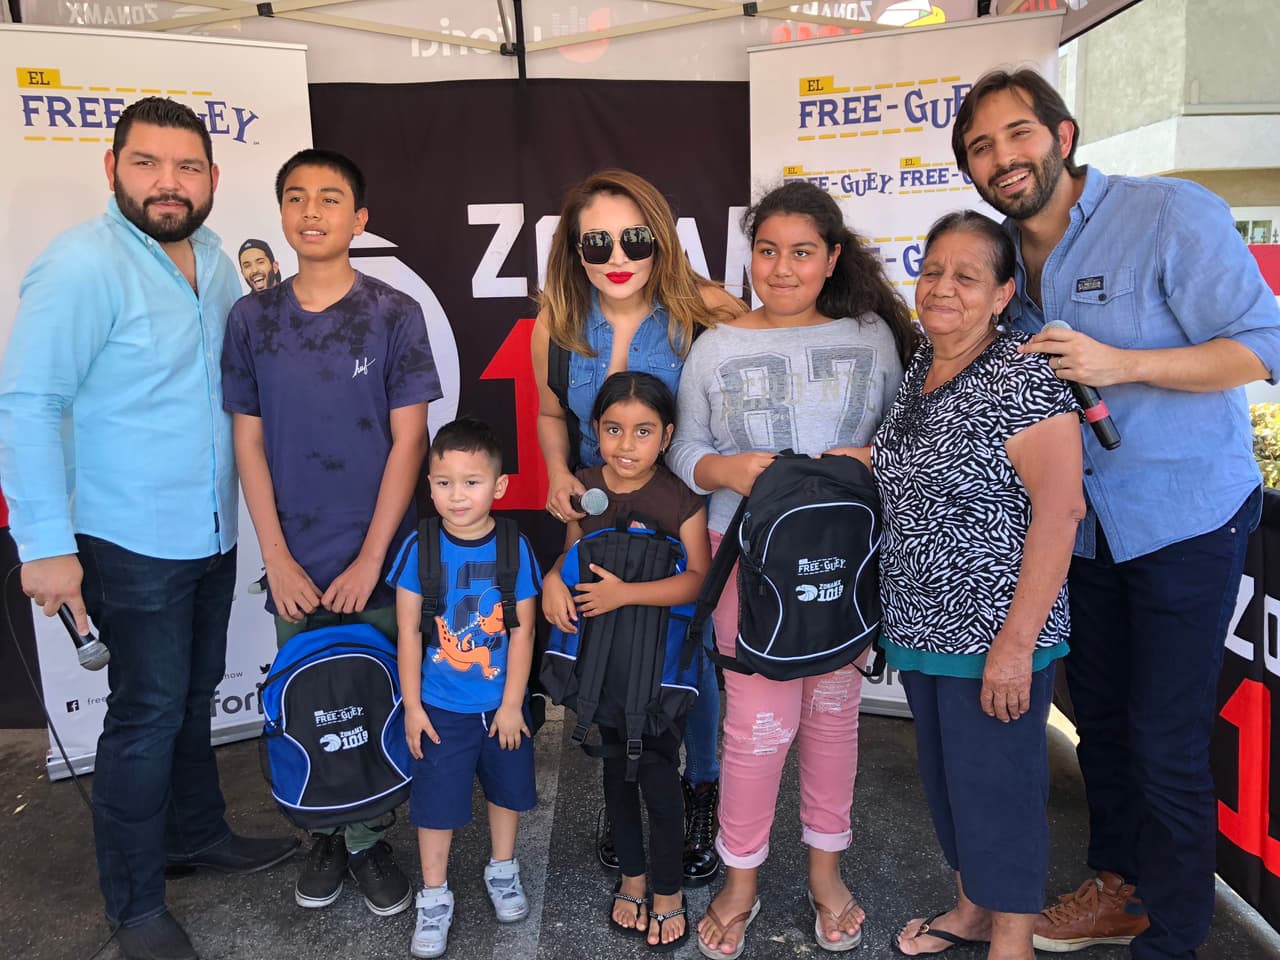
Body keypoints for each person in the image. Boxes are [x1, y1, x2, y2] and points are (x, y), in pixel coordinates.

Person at [952, 68, 1280, 960]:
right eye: (981, 147)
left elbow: (1264, 345)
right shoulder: (1006, 259)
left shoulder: (1170, 213)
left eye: (1017, 134)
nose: (1002, 157)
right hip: (1078, 529)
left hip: (1183, 519)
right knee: (1098, 721)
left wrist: (1123, 364)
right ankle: (1119, 890)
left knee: (1166, 740)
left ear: (1062, 135)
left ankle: (1174, 937)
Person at [0, 96, 298, 960]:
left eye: (187, 167)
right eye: (147, 164)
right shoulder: (81, 264)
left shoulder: (212, 255)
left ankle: (194, 836)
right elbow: (27, 404)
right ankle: (133, 909)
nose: (169, 183)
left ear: (211, 177)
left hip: (210, 527)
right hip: (127, 538)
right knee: (145, 717)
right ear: (112, 169)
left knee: (194, 698)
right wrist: (45, 545)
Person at [667, 180, 917, 958]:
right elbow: (683, 450)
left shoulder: (874, 335)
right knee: (757, 730)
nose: (782, 268)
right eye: (767, 251)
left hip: (844, 571)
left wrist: (872, 457)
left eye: (802, 252)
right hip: (752, 570)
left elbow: (910, 435)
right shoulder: (715, 347)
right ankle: (741, 884)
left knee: (835, 724)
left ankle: (825, 877)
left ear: (832, 257)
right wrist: (724, 468)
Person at [221, 147, 439, 917]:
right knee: (314, 704)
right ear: (280, 213)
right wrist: (275, 558)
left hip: (376, 559)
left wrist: (373, 556)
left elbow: (409, 441)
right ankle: (328, 830)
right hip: (296, 565)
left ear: (360, 218)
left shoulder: (392, 313)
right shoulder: (251, 319)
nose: (311, 212)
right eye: (296, 198)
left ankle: (370, 836)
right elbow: (247, 441)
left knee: (371, 698)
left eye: (330, 198)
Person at [865, 211, 1084, 960]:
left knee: (1001, 794)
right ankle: (972, 911)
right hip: (923, 628)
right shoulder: (925, 360)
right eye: (932, 271)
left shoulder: (1022, 375)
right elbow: (928, 468)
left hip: (994, 631)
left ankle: (1011, 944)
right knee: (952, 788)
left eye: (966, 276)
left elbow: (1062, 510)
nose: (943, 287)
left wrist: (1015, 647)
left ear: (1002, 294)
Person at [532, 169, 744, 885]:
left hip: (683, 509)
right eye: (597, 241)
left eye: (635, 238)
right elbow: (548, 412)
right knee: (616, 648)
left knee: (693, 651)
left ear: (662, 238)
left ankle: (700, 786)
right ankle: (625, 780)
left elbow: (773, 361)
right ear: (574, 247)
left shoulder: (704, 307)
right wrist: (559, 473)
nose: (617, 255)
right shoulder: (555, 323)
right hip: (599, 512)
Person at [543, 371, 712, 950]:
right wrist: (550, 583)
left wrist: (626, 594)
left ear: (665, 436)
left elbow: (697, 582)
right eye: (613, 429)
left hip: (660, 670)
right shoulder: (582, 489)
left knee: (660, 774)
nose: (626, 444)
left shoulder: (680, 499)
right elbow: (571, 557)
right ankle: (632, 878)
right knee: (616, 772)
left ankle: (667, 889)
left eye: (642, 432)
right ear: (595, 431)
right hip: (602, 664)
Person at [389, 417, 541, 959]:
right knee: (436, 804)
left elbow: (522, 634)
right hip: (439, 708)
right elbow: (407, 632)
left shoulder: (514, 548)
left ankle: (503, 869)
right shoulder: (419, 548)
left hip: (500, 707)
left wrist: (512, 704)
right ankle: (434, 895)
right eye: (444, 482)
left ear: (498, 487)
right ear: (428, 484)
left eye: (471, 482)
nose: (457, 495)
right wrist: (412, 707)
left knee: (508, 792)